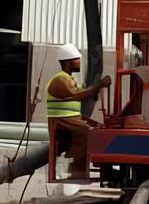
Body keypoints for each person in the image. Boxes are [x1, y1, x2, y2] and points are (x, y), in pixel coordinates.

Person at [43, 44, 110, 182]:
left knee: (99, 129)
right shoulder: (60, 79)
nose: (80, 62)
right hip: (62, 119)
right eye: (77, 60)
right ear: (68, 63)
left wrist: (94, 91)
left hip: (73, 118)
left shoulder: (71, 79)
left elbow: (84, 91)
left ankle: (92, 165)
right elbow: (76, 95)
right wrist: (100, 85)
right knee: (87, 132)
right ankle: (75, 168)